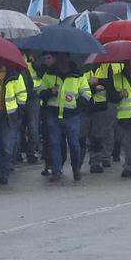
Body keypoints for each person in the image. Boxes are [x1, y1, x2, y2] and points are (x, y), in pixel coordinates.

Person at [39, 52, 90, 182]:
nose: (61, 61)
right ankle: (56, 171)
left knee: (74, 144)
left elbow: (86, 94)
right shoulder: (49, 74)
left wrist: (77, 104)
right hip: (54, 114)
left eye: (63, 58)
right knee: (54, 143)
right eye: (59, 58)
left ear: (67, 59)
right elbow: (40, 91)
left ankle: (76, 168)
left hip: (71, 115)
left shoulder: (78, 75)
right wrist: (51, 92)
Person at [83, 62, 117, 173]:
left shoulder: (108, 67)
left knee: (99, 134)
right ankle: (89, 159)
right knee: (86, 135)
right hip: (87, 106)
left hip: (102, 106)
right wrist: (93, 88)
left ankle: (98, 160)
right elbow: (80, 86)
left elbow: (112, 85)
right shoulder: (84, 68)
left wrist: (99, 81)